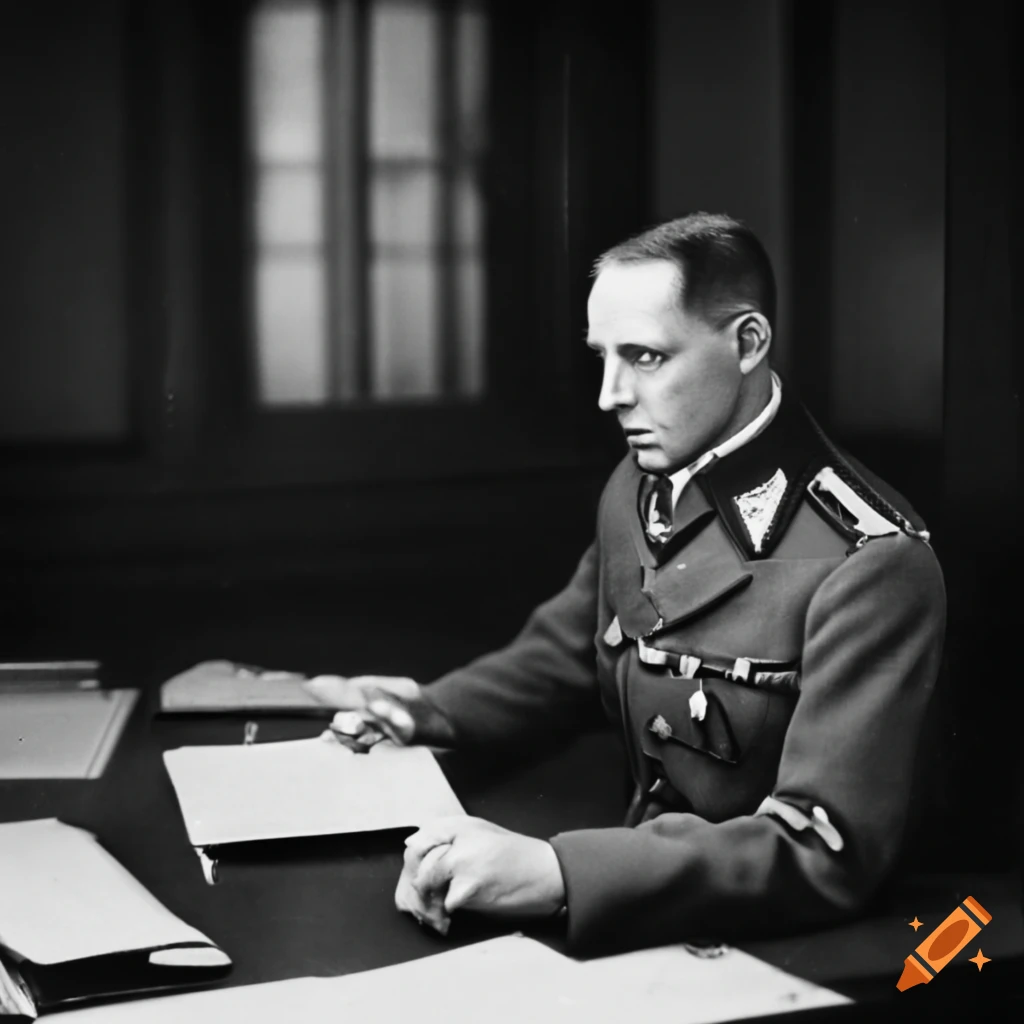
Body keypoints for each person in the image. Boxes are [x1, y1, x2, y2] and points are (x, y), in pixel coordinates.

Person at [304, 212, 946, 957]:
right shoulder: (641, 485)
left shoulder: (870, 560)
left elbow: (824, 851)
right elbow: (569, 655)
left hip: (805, 944)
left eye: (644, 357)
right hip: (643, 910)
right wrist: (419, 710)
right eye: (602, 357)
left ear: (748, 343)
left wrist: (559, 871)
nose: (610, 395)